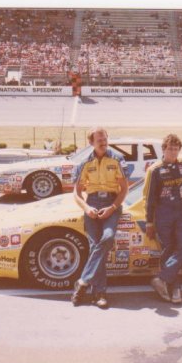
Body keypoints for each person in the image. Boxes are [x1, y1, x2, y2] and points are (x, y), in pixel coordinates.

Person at [143, 134, 182, 304]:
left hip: (181, 212)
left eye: (176, 148)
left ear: (179, 150)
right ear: (163, 149)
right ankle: (175, 288)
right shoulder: (154, 169)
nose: (173, 151)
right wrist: (149, 222)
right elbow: (149, 199)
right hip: (162, 214)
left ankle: (162, 279)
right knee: (169, 250)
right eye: (170, 148)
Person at [71, 127, 129, 308]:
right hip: (92, 203)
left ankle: (82, 282)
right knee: (95, 245)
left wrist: (112, 208)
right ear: (91, 143)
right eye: (99, 140)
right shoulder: (84, 162)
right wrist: (87, 207)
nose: (103, 143)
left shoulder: (117, 159)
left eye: (105, 139)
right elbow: (77, 192)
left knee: (108, 237)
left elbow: (124, 188)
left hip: (112, 202)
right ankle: (99, 293)